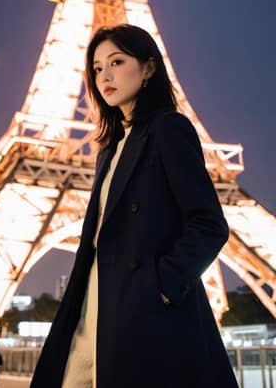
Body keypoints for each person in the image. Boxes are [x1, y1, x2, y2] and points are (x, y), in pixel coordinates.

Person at [30, 24, 238, 388]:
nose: (104, 76)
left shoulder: (168, 129)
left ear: (149, 68)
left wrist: (161, 285)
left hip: (142, 309)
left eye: (116, 61)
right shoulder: (109, 150)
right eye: (96, 68)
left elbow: (209, 223)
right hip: (94, 302)